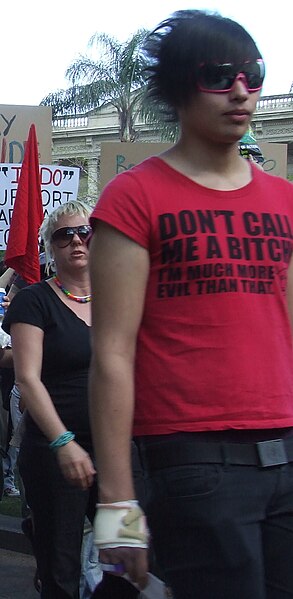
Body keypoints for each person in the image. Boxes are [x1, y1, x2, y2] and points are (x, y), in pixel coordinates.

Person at [88, 10, 293, 599]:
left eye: (253, 76)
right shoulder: (135, 197)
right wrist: (117, 507)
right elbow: (112, 355)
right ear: (180, 86)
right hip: (194, 464)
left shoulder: (283, 201)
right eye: (219, 75)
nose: (241, 91)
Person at [2, 200, 137, 599]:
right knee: (61, 570)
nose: (76, 241)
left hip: (117, 452)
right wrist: (64, 442)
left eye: (84, 232)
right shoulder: (34, 301)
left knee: (126, 559)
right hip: (54, 452)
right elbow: (27, 378)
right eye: (64, 236)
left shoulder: (120, 298)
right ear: (49, 249)